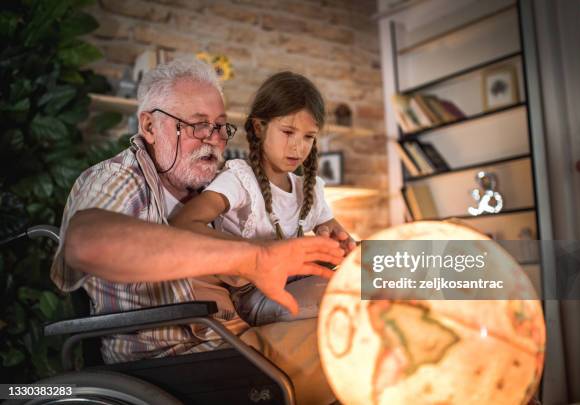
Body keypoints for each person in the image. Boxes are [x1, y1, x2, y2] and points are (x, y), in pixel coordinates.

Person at [51, 58, 344, 404]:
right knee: (373, 334)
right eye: (198, 126)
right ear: (148, 125)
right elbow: (87, 242)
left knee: (393, 281)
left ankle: (424, 271)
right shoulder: (118, 177)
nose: (215, 141)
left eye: (221, 127)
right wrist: (256, 257)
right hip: (187, 361)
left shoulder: (198, 186)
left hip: (238, 336)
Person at [170, 71, 356, 326]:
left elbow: (340, 237)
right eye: (288, 132)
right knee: (356, 291)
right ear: (259, 128)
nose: (298, 147)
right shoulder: (240, 180)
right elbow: (183, 223)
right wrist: (258, 253)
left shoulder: (309, 189)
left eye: (308, 137)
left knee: (390, 265)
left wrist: (340, 245)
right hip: (256, 295)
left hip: (299, 281)